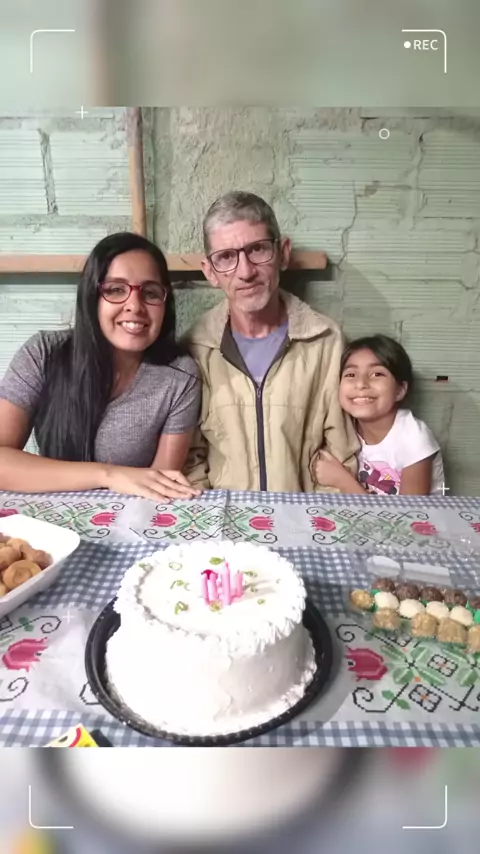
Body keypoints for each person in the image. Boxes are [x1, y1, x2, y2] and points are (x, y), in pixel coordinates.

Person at [0, 232, 202, 502]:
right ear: (91, 297)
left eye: (150, 292)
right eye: (116, 290)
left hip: (128, 519)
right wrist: (108, 475)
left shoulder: (179, 376)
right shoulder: (43, 353)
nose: (135, 306)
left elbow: (160, 489)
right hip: (47, 517)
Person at [184, 190, 359, 492]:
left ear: (283, 253)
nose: (245, 272)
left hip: (304, 517)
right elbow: (190, 462)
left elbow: (339, 455)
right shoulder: (196, 347)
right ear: (210, 272)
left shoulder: (325, 341)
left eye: (258, 249)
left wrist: (311, 520)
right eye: (226, 257)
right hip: (224, 519)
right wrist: (211, 519)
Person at [314, 334, 445, 495]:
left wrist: (342, 481)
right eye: (351, 375)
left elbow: (409, 510)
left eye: (377, 374)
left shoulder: (414, 437)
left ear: (400, 390)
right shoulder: (342, 427)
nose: (361, 384)